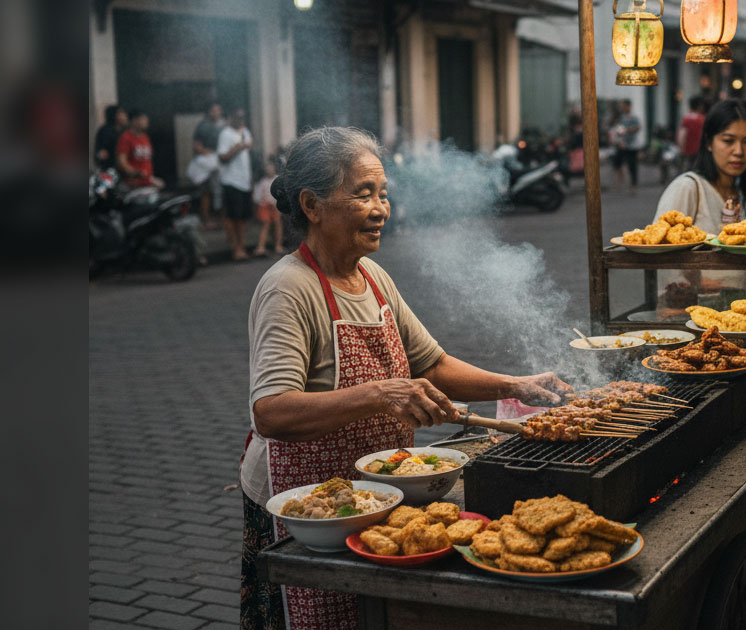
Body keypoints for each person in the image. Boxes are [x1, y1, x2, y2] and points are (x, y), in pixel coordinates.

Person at [240, 126, 572, 629]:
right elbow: (271, 412)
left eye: (384, 193)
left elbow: (431, 365)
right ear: (312, 205)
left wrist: (513, 385)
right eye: (363, 194)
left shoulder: (374, 278)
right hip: (311, 514)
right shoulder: (288, 288)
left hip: (373, 496)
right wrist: (379, 393)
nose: (380, 209)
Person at [657, 99, 746, 232]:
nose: (739, 151)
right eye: (728, 141)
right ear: (709, 142)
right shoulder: (687, 189)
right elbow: (658, 243)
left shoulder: (745, 197)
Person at [219, 107, 254, 261]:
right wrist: (237, 148)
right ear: (230, 118)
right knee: (233, 216)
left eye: (242, 117)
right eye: (237, 117)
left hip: (244, 180)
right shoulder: (225, 134)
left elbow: (250, 146)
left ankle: (242, 246)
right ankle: (236, 249)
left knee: (243, 217)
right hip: (231, 180)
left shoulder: (245, 131)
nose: (240, 120)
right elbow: (222, 157)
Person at [187, 101, 225, 228]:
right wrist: (206, 151)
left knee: (218, 192)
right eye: (214, 110)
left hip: (218, 164)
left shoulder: (221, 125)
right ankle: (206, 220)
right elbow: (196, 147)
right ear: (209, 112)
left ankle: (220, 219)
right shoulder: (203, 126)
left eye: (218, 110)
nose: (217, 113)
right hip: (206, 166)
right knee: (206, 193)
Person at [116, 109, 162, 189]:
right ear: (134, 121)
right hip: (132, 183)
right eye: (143, 119)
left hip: (147, 181)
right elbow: (122, 162)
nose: (146, 121)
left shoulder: (145, 137)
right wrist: (136, 173)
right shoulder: (125, 138)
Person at [253, 157, 284, 256]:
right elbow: (256, 196)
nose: (269, 169)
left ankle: (278, 245)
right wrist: (262, 202)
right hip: (265, 206)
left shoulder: (277, 179)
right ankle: (261, 246)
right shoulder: (262, 182)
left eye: (271, 167)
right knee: (265, 225)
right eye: (267, 167)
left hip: (276, 206)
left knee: (278, 224)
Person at [612, 99, 642, 193]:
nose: (622, 107)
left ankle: (633, 185)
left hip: (632, 145)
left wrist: (627, 130)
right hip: (623, 144)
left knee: (632, 165)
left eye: (624, 105)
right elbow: (619, 129)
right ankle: (620, 180)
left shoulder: (633, 117)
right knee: (617, 162)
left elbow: (638, 127)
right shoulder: (622, 117)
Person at [93, 104, 126, 171]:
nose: (125, 116)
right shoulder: (106, 131)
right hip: (111, 169)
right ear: (114, 115)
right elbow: (102, 153)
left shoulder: (124, 131)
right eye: (121, 113)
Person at [677, 96, 706, 167]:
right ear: (700, 106)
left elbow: (681, 136)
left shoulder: (686, 118)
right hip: (700, 151)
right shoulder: (702, 119)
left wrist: (681, 149)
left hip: (688, 151)